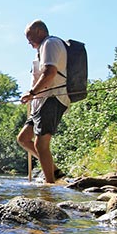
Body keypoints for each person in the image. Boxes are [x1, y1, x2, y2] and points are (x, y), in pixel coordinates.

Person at [17, 20, 69, 183]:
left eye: (30, 37)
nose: (29, 42)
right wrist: (32, 97)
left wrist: (32, 92)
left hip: (52, 98)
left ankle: (50, 186)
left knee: (41, 144)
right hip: (40, 102)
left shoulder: (50, 43)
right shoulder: (42, 48)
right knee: (23, 139)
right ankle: (54, 171)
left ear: (39, 31)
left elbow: (50, 72)